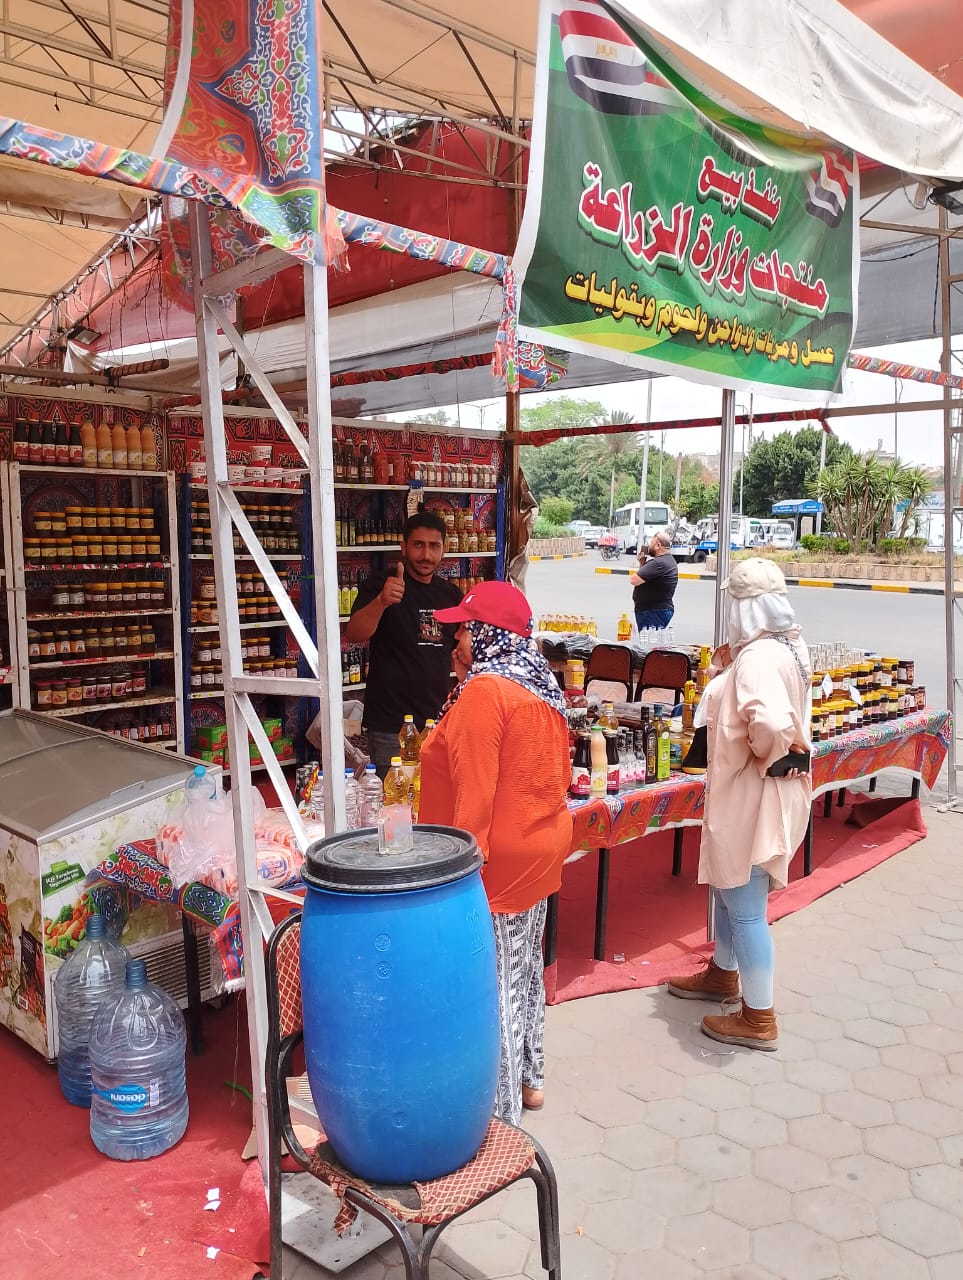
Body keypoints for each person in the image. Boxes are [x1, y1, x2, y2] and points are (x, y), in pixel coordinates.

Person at [418, 580, 572, 1125]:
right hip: (539, 847)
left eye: (462, 631)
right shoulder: (537, 683)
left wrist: (457, 873)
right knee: (524, 971)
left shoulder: (486, 691)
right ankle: (531, 1079)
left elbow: (476, 795)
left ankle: (503, 1122)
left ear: (485, 635)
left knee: (496, 988)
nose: (454, 641)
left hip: (497, 866)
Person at [667, 558, 812, 1051]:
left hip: (754, 793)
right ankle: (722, 973)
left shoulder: (758, 658)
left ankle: (758, 1017)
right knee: (730, 890)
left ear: (746, 609)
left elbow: (767, 722)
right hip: (763, 791)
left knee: (746, 908)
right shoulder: (786, 647)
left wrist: (770, 751)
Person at [345, 511, 461, 776]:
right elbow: (355, 633)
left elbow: (462, 649)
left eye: (434, 546)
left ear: (443, 548)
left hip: (437, 721)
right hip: (391, 724)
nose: (426, 555)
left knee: (434, 795)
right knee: (394, 798)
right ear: (404, 547)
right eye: (418, 545)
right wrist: (381, 602)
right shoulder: (382, 584)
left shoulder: (451, 594)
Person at [629, 531, 678, 631]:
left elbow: (634, 580)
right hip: (655, 610)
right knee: (651, 639)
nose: (649, 546)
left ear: (658, 545)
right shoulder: (667, 560)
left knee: (650, 640)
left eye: (651, 543)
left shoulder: (659, 563)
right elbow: (644, 578)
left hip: (653, 611)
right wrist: (642, 563)